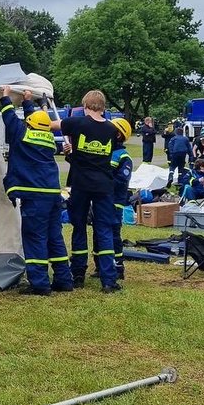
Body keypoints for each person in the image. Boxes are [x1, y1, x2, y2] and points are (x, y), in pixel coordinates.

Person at [0, 87, 73, 295]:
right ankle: (63, 280)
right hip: (52, 195)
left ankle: (40, 284)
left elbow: (10, 120)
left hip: (35, 197)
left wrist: (5, 98)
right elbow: (35, 120)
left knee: (34, 238)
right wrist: (27, 102)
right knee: (54, 237)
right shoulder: (48, 140)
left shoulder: (23, 135)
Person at [54, 90, 121, 293]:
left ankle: (78, 274)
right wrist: (72, 154)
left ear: (85, 106)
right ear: (102, 107)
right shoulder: (111, 129)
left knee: (79, 227)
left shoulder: (78, 123)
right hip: (103, 185)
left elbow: (51, 125)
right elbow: (95, 157)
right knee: (104, 230)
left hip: (81, 184)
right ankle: (109, 280)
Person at [106, 118, 134, 279]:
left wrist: (102, 183)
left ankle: (118, 267)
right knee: (100, 233)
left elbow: (121, 180)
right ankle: (102, 264)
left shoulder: (124, 157)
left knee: (113, 234)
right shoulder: (107, 151)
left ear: (118, 135)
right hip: (102, 200)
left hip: (115, 202)